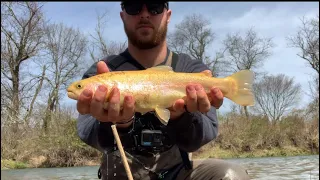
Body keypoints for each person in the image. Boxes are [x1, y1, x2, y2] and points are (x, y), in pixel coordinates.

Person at [76, 1, 250, 180]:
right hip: (120, 174)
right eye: (134, 7)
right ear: (122, 16)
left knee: (231, 175)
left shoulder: (191, 69)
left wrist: (182, 117)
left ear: (167, 15)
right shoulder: (103, 72)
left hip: (179, 172)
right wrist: (116, 123)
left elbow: (202, 137)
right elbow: (87, 133)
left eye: (155, 6)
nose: (144, 14)